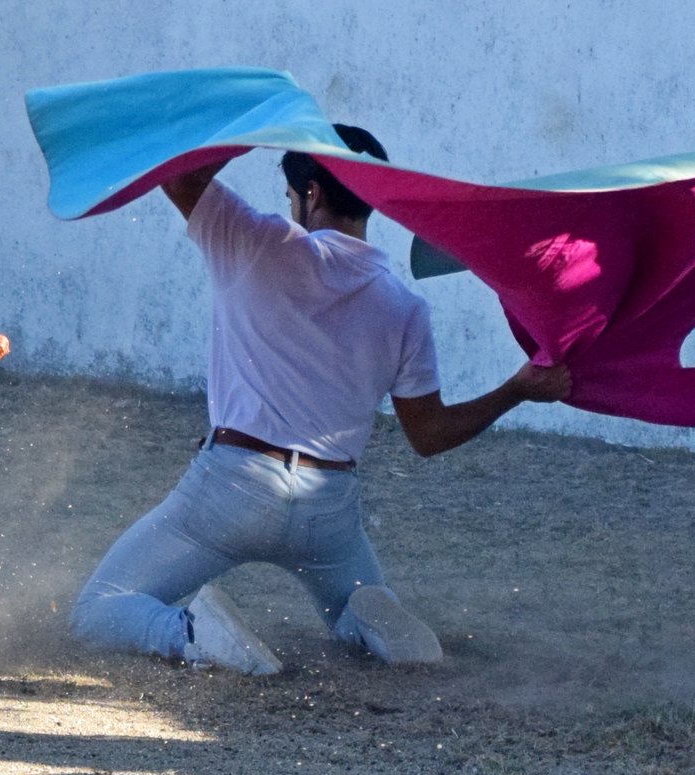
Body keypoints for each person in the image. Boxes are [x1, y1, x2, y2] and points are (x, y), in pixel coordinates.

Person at [69, 125, 572, 674]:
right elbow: (430, 436)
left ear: (309, 194)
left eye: (290, 197)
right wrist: (516, 390)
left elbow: (177, 172)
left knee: (98, 608)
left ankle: (190, 633)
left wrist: (256, 127)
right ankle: (367, 621)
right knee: (352, 603)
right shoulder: (405, 307)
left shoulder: (256, 242)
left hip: (232, 486)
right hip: (328, 509)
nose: (287, 211)